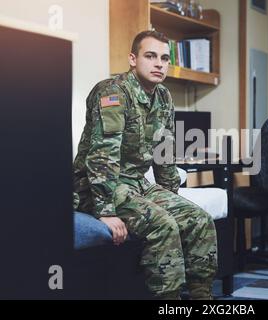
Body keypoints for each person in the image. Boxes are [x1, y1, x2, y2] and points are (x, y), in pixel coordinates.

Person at [73, 30, 218, 300]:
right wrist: (105, 211)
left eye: (164, 58)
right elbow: (103, 157)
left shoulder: (163, 97)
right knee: (163, 224)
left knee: (198, 219)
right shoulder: (113, 93)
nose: (158, 63)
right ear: (132, 59)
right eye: (150, 56)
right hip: (99, 186)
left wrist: (170, 197)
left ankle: (202, 297)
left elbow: (164, 153)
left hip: (136, 184)